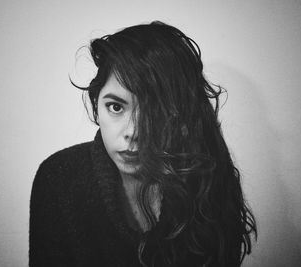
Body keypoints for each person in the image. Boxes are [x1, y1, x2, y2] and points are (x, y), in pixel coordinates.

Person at [29, 21, 257, 267]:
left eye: (154, 112)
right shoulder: (59, 179)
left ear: (181, 114)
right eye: (115, 107)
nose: (133, 132)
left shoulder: (205, 179)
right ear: (97, 104)